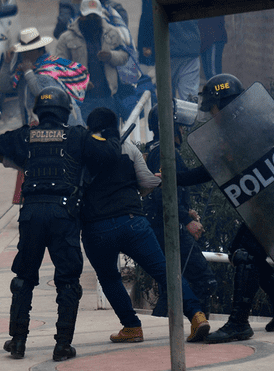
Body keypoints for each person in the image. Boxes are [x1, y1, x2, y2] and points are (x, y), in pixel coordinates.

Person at [0, 87, 121, 360]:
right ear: (66, 111)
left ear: (39, 111)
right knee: (68, 281)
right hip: (63, 215)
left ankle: (18, 342)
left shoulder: (26, 135)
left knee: (23, 279)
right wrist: (111, 131)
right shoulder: (78, 136)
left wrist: (11, 156)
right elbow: (110, 154)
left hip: (31, 213)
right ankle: (62, 345)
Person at [173, 74, 274, 343]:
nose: (211, 114)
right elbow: (215, 168)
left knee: (245, 254)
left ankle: (239, 324)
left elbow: (210, 170)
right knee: (240, 252)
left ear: (225, 104)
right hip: (271, 205)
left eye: (213, 108)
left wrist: (177, 177)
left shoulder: (245, 130)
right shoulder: (242, 127)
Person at [80, 108, 211, 343]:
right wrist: (138, 191)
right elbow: (149, 181)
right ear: (114, 125)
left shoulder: (82, 150)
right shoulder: (128, 148)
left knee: (110, 278)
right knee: (164, 271)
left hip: (96, 228)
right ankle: (196, 316)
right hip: (133, 223)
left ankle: (131, 327)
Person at [143, 100, 218, 317]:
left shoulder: (157, 149)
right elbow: (161, 192)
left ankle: (163, 324)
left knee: (174, 284)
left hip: (162, 225)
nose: (184, 130)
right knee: (205, 280)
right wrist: (186, 219)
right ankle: (200, 327)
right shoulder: (166, 152)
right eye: (180, 125)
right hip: (167, 227)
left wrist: (185, 210)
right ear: (168, 127)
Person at [0, 27, 89, 128]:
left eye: (29, 51)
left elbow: (44, 95)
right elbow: (3, 87)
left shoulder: (49, 69)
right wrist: (6, 63)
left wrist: (28, 72)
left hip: (62, 127)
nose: (25, 55)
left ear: (40, 51)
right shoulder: (25, 72)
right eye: (23, 51)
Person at [55, 0, 129, 121]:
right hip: (82, 100)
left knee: (111, 136)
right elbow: (58, 67)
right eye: (88, 16)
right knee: (85, 136)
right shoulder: (66, 38)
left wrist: (110, 56)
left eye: (95, 16)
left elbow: (124, 56)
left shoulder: (112, 33)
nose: (92, 19)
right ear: (81, 15)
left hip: (108, 97)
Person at [135, 5, 201, 101]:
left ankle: (170, 114)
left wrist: (146, 45)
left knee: (166, 98)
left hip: (166, 48)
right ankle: (189, 114)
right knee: (189, 97)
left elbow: (148, 15)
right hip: (190, 45)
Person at [53, 0, 128, 40]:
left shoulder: (68, 2)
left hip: (78, 46)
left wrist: (60, 35)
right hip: (105, 44)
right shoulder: (112, 7)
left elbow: (63, 22)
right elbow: (120, 12)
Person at [198, 16, 227, 82]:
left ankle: (219, 92)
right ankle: (213, 91)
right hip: (203, 38)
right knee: (208, 75)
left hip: (214, 36)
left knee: (214, 74)